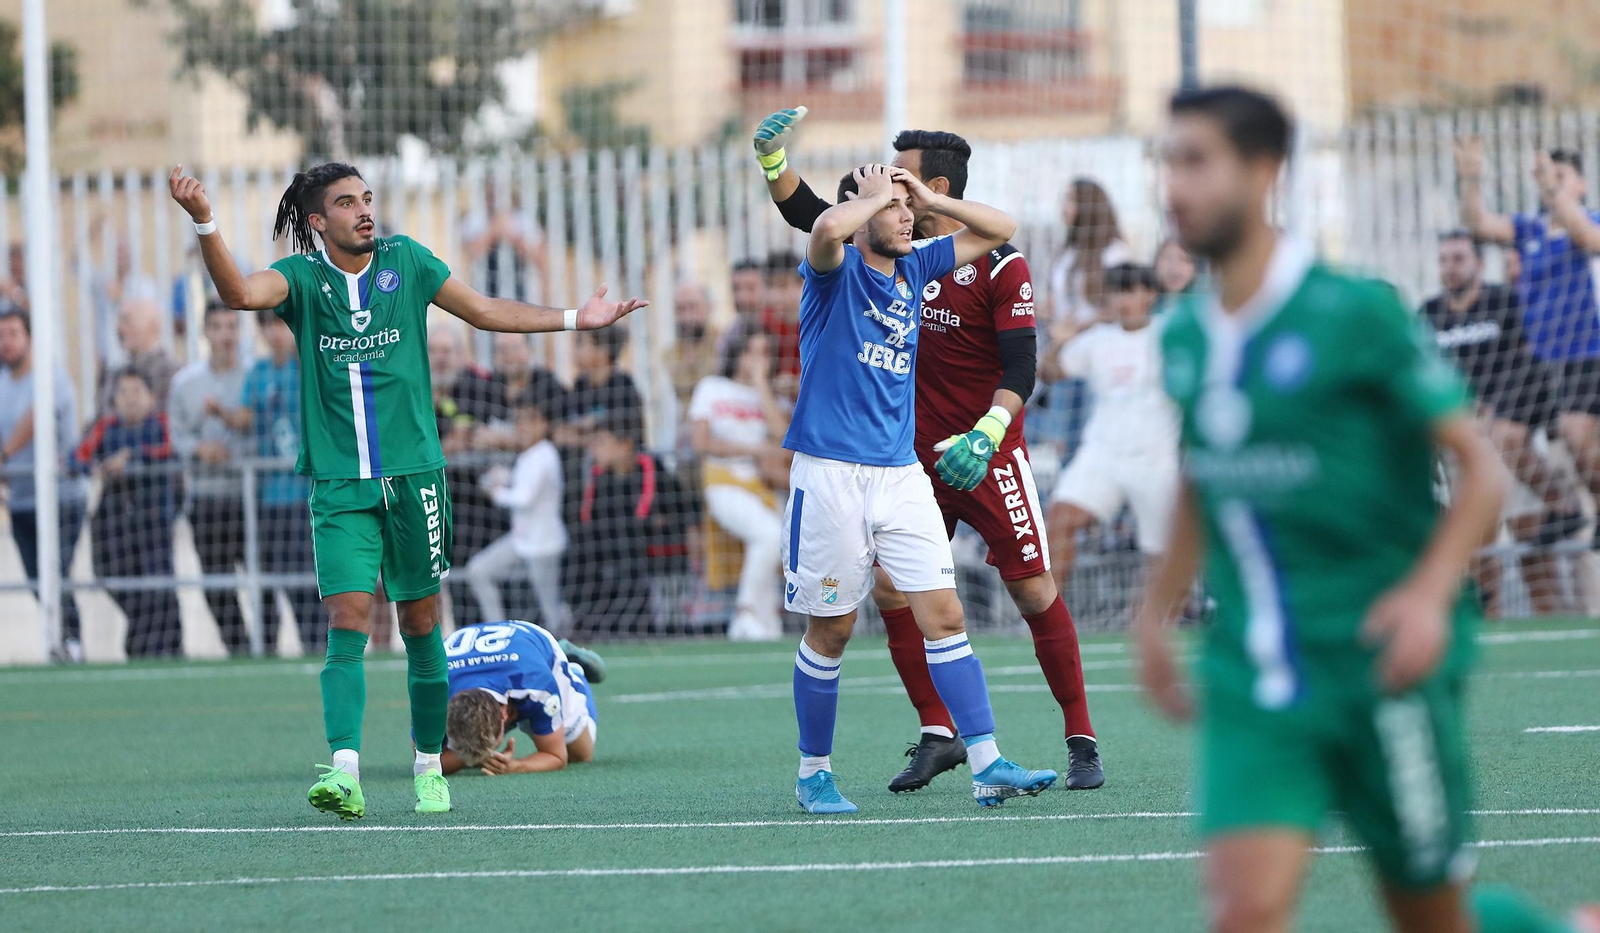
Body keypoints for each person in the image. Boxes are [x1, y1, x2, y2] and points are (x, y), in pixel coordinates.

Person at [1136, 84, 1597, 933]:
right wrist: (1154, 611)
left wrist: (1426, 595)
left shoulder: (1356, 313)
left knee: (1433, 919)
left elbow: (1481, 471)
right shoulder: (1185, 335)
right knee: (1244, 912)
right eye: (1169, 161)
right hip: (1257, 673)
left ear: (1263, 170)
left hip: (1383, 664)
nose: (1175, 185)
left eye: (1196, 160)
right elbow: (1205, 474)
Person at [169, 161, 646, 819]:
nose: (364, 210)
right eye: (346, 202)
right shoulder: (304, 279)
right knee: (346, 620)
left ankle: (429, 768)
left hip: (415, 477)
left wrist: (575, 319)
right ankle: (344, 772)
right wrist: (205, 221)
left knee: (421, 622)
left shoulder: (408, 262)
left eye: (367, 198)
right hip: (339, 485)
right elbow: (239, 294)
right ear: (318, 221)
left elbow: (484, 310)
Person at [758, 112, 1103, 792]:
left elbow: (1001, 233)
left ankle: (1001, 756)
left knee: (968, 605)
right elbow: (820, 223)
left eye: (912, 187)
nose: (906, 204)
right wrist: (784, 165)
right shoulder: (836, 269)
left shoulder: (924, 264)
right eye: (895, 196)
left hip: (936, 462)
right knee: (832, 627)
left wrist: (917, 199)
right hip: (836, 472)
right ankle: (826, 768)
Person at [1456, 140, 1600, 542]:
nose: (1549, 184)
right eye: (1546, 176)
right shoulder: (1529, 228)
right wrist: (1470, 179)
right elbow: (1478, 224)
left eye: (1561, 177)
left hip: (1583, 352)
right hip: (1538, 357)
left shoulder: (1589, 221)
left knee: (1575, 432)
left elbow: (1588, 238)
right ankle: (1563, 505)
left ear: (1581, 185)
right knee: (1505, 436)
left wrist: (1553, 192)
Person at [1420, 230, 1583, 550]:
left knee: (1532, 548)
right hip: (1464, 440)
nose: (1449, 267)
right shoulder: (1429, 314)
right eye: (1443, 260)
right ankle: (1489, 599)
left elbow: (1532, 360)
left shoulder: (1506, 302)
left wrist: (1498, 406)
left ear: (1478, 264)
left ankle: (1564, 506)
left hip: (1509, 433)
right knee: (1481, 548)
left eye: (1458, 259)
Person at [1044, 262, 1179, 587]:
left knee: (1164, 553)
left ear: (1150, 294)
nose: (1123, 300)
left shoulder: (1171, 332)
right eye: (1117, 292)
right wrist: (1060, 340)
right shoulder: (1097, 340)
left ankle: (1164, 625)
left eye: (1131, 291)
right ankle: (1046, 623)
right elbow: (1049, 372)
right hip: (1101, 454)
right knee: (1059, 521)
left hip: (1157, 458)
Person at [221, 311, 324, 651]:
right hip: (270, 498)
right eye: (267, 324)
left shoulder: (311, 366)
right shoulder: (259, 373)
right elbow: (245, 417)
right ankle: (268, 649)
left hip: (307, 497)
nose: (274, 332)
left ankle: (318, 646)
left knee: (310, 584)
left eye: (280, 323)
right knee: (271, 580)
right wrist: (220, 415)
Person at [72, 368, 182, 657]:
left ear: (150, 397)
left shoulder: (161, 424)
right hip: (115, 527)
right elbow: (78, 457)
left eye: (136, 392)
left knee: (159, 586)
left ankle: (160, 647)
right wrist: (97, 468)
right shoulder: (106, 428)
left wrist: (134, 456)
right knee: (112, 576)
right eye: (123, 392)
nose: (130, 399)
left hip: (154, 522)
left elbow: (172, 448)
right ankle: (142, 639)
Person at [0, 308, 89, 662]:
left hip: (62, 499)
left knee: (56, 575)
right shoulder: (3, 384)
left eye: (13, 333)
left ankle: (73, 644)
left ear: (30, 338)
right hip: (21, 500)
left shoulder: (52, 378)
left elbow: (35, 418)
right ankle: (62, 642)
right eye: (1, 334)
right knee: (39, 581)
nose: (6, 342)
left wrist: (4, 455)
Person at [689, 327, 789, 640]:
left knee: (777, 547)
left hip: (763, 486)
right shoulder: (712, 387)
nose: (757, 360)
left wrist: (761, 384)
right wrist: (752, 450)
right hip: (724, 481)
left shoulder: (768, 396)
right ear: (736, 353)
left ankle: (766, 625)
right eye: (750, 352)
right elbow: (701, 442)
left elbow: (783, 437)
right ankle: (744, 613)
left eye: (764, 353)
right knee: (768, 534)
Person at [565, 407, 698, 634]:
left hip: (652, 559)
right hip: (609, 559)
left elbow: (684, 512)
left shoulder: (653, 470)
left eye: (601, 442)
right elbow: (589, 522)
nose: (594, 449)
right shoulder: (599, 478)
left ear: (624, 445)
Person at [168, 302, 252, 653]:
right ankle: (240, 648)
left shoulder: (254, 374)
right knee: (216, 583)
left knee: (263, 576)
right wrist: (198, 449)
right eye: (217, 326)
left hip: (250, 496)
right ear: (205, 332)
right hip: (206, 497)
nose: (225, 334)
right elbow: (176, 433)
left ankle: (270, 643)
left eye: (231, 326)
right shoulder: (185, 383)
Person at [463, 383, 569, 631]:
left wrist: (497, 491)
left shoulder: (545, 454)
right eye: (518, 420)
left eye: (528, 420)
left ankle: (566, 647)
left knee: (550, 607)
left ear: (544, 424)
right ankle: (497, 630)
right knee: (478, 570)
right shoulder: (528, 455)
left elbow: (524, 499)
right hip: (522, 540)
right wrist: (503, 478)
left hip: (543, 543)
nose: (522, 427)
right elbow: (520, 483)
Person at [440, 619, 600, 777]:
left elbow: (557, 757)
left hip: (530, 642)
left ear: (504, 714)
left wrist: (515, 766)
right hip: (484, 654)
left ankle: (574, 670)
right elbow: (426, 761)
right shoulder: (433, 694)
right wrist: (475, 754)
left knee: (580, 754)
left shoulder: (536, 686)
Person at [1047, 178, 1133, 332]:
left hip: (1099, 342)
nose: (1064, 207)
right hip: (1062, 342)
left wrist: (1078, 328)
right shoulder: (1067, 252)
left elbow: (1120, 306)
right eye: (1064, 199)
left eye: (1071, 200)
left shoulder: (1114, 252)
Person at [99, 297, 179, 415]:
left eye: (126, 320)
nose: (118, 328)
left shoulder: (173, 374)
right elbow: (100, 420)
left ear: (153, 327)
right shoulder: (113, 375)